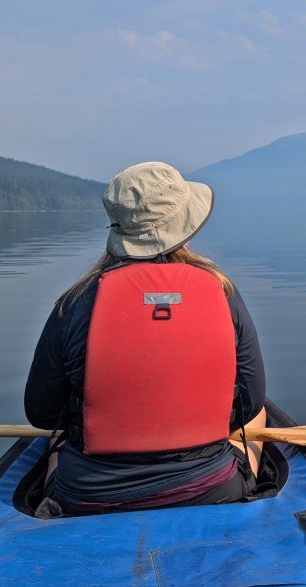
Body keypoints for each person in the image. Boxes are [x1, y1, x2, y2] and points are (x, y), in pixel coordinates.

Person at [24, 161, 266, 515]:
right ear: (184, 229)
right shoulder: (222, 292)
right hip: (211, 490)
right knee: (258, 416)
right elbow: (251, 398)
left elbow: (42, 414)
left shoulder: (74, 302)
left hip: (89, 497)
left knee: (57, 444)